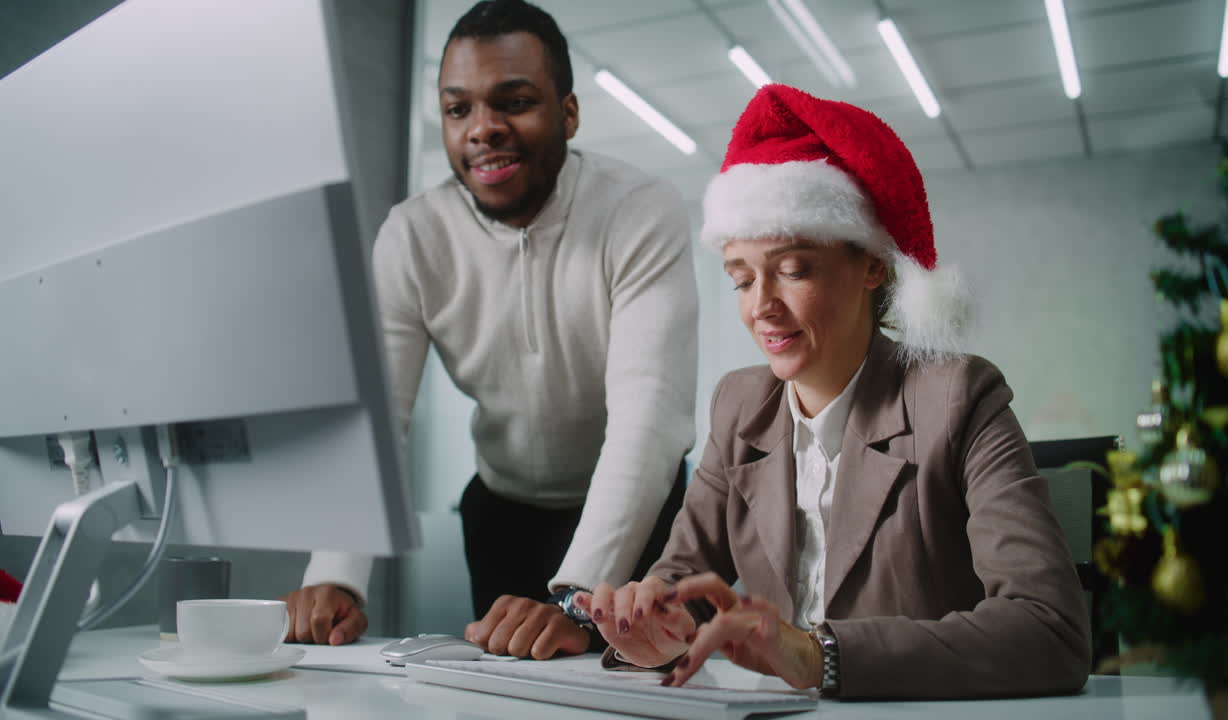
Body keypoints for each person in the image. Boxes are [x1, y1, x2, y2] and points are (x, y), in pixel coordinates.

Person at [578, 84, 1091, 698]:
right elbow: (680, 578)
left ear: (873, 266)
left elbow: (1052, 630)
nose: (761, 307)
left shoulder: (959, 396)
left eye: (794, 270)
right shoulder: (738, 405)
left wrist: (820, 656)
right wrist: (655, 626)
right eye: (742, 279)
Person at [282, 0, 696, 659]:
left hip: (644, 514)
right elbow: (380, 418)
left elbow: (649, 420)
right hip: (501, 513)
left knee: (640, 689)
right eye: (459, 109)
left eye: (515, 101)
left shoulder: (639, 210)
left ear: (568, 112)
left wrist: (579, 594)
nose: (483, 129)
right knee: (510, 685)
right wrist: (334, 576)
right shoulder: (414, 236)